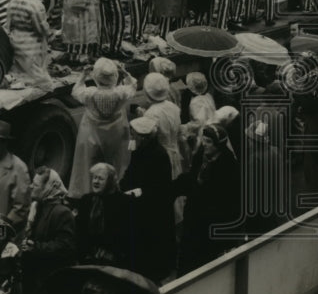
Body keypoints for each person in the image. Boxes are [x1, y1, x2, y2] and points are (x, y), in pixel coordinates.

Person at [16, 168, 77, 294]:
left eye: (35, 185)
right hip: (33, 280)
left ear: (48, 188)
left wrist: (37, 248)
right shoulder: (38, 208)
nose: (30, 187)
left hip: (48, 284)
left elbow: (67, 246)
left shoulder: (62, 213)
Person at [172, 123, 240, 274]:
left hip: (211, 222)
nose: (204, 144)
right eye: (204, 140)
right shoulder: (201, 155)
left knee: (205, 262)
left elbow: (229, 200)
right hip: (194, 217)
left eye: (209, 141)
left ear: (218, 144)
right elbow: (192, 176)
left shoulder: (228, 164)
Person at [69, 58, 137, 198]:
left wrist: (83, 75)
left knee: (90, 164)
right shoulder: (120, 93)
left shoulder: (90, 94)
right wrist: (125, 72)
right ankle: (114, 192)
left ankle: (87, 193)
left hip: (92, 134)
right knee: (115, 163)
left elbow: (76, 91)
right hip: (115, 134)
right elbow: (133, 85)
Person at [120, 117, 175, 283]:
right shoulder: (141, 150)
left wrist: (135, 192)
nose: (132, 138)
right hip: (140, 203)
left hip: (153, 208)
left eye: (134, 135)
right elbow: (131, 171)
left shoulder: (158, 155)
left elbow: (156, 187)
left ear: (144, 137)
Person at [74, 163, 133, 267]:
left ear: (110, 182)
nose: (96, 181)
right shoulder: (86, 200)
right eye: (94, 178)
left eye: (100, 179)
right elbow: (80, 232)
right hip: (87, 257)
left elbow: (125, 236)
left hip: (114, 260)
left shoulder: (123, 202)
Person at [6, 0, 54, 89]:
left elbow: (8, 24)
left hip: (15, 38)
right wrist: (51, 34)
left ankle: (18, 82)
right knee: (42, 79)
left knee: (18, 69)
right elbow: (41, 28)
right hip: (31, 43)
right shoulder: (36, 5)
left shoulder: (13, 1)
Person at [138, 72, 186, 177]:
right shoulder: (173, 107)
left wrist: (142, 118)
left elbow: (149, 138)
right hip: (175, 150)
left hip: (160, 156)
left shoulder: (151, 114)